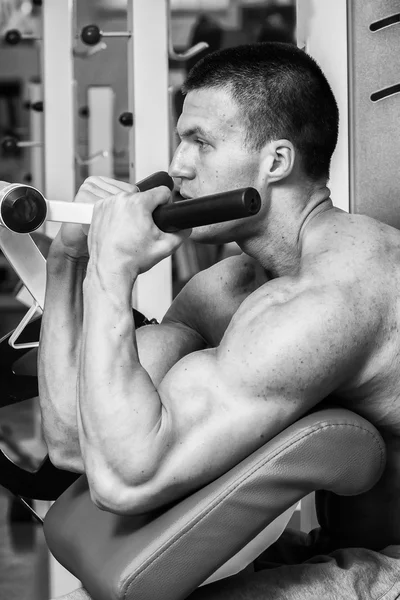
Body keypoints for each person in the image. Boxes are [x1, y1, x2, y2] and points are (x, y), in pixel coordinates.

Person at [36, 42, 400, 599]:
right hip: (350, 543)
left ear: (274, 163)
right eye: (182, 140)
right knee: (162, 344)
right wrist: (71, 259)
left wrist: (113, 272)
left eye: (200, 143)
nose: (179, 166)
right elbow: (71, 445)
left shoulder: (334, 294)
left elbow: (125, 481)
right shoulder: (228, 289)